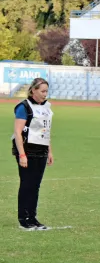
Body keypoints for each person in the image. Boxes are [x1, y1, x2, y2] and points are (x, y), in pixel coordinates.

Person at [11, 78, 54, 230]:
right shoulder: (24, 107)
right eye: (42, 91)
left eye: (46, 91)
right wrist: (22, 155)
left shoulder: (47, 107)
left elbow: (46, 131)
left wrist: (49, 151)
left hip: (41, 150)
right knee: (27, 184)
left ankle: (32, 217)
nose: (45, 94)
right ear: (33, 90)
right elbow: (17, 132)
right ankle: (23, 219)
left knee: (35, 185)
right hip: (27, 150)